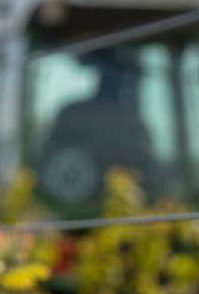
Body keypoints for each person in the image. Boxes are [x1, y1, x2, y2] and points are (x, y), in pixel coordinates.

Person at [38, 49, 159, 209]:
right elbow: (47, 169)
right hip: (73, 209)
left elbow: (151, 176)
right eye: (126, 80)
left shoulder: (133, 124)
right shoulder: (75, 116)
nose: (129, 88)